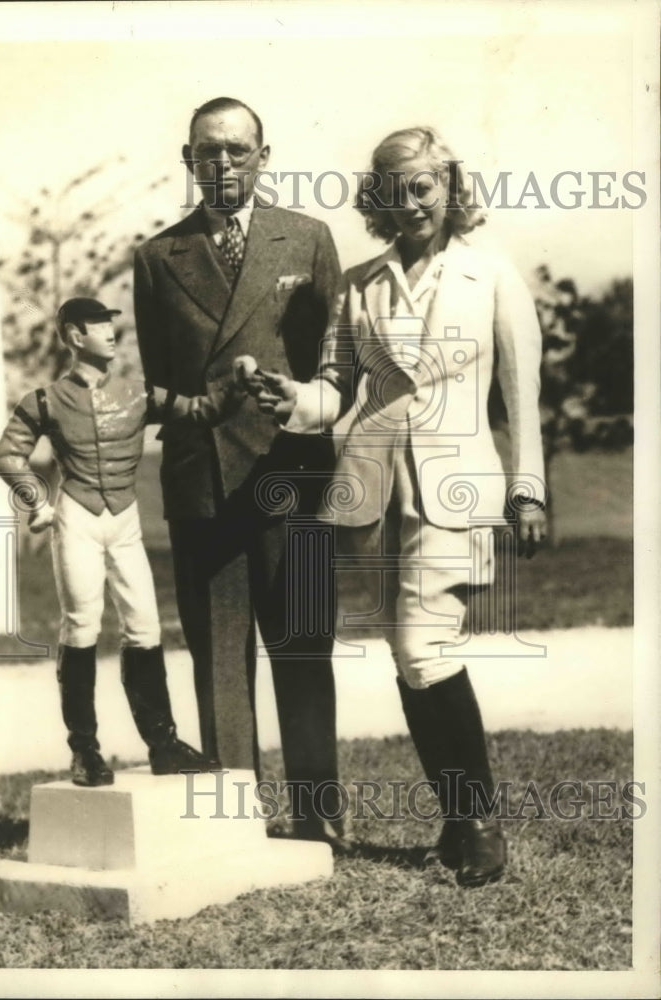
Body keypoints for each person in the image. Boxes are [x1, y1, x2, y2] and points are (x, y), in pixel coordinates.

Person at [254, 126, 548, 885]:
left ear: (451, 188)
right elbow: (335, 390)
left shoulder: (491, 279)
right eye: (396, 189)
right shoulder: (358, 283)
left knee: (425, 649)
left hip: (458, 490)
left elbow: (523, 399)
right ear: (378, 198)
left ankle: (478, 822)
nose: (412, 201)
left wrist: (527, 489)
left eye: (425, 185)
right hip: (372, 494)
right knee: (408, 654)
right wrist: (293, 398)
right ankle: (457, 821)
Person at [133, 97, 346, 847]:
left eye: (237, 150)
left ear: (264, 154)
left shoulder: (311, 239)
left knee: (304, 641)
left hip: (299, 476)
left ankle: (319, 814)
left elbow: (338, 368)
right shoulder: (158, 257)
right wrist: (208, 404)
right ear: (187, 157)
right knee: (220, 655)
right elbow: (159, 386)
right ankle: (236, 823)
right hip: (204, 481)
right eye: (207, 151)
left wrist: (296, 403)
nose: (222, 164)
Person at [0, 296, 231, 787]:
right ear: (74, 336)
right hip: (77, 517)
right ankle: (84, 751)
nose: (109, 332)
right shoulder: (45, 400)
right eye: (98, 325)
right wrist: (36, 499)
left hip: (125, 522)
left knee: (145, 626)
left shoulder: (139, 394)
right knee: (81, 628)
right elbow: (8, 454)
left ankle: (162, 744)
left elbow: (202, 411)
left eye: (110, 323)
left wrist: (241, 382)